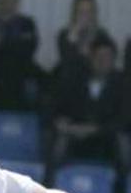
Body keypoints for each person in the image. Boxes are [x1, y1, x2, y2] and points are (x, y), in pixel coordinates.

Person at [48, 38, 129, 174]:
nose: (102, 61)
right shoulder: (76, 80)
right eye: (98, 56)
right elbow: (58, 107)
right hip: (75, 135)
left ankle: (121, 192)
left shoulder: (123, 85)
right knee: (59, 141)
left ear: (114, 60)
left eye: (107, 57)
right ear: (90, 58)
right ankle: (50, 186)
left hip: (106, 139)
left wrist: (95, 129)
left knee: (122, 142)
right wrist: (63, 123)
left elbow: (123, 119)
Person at [55, 0, 113, 81]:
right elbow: (66, 61)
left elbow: (102, 65)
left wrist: (91, 36)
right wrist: (74, 34)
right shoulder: (64, 34)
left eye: (89, 11)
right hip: (71, 82)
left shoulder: (102, 35)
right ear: (74, 14)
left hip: (93, 82)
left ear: (94, 13)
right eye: (81, 12)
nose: (85, 16)